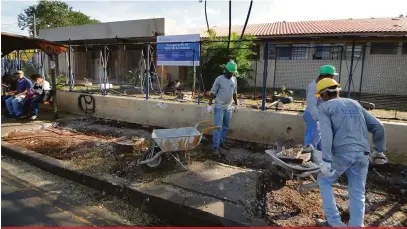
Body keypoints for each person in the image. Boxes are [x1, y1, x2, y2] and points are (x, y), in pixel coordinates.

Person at [315, 78, 388, 227]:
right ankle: (356, 225)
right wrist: (379, 151)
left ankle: (334, 222)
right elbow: (379, 127)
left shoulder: (325, 108)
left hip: (342, 153)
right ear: (337, 91)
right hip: (363, 154)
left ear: (324, 95)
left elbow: (326, 135)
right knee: (357, 191)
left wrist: (327, 160)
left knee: (324, 180)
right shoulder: (355, 103)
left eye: (321, 97)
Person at [303, 65, 338, 154]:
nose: (332, 78)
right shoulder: (314, 87)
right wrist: (318, 118)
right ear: (324, 76)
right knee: (314, 134)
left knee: (320, 137)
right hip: (312, 115)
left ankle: (319, 155)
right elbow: (312, 105)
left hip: (320, 114)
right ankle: (308, 154)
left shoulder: (323, 86)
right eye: (331, 76)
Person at [208, 60, 238, 156]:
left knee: (225, 127)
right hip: (219, 107)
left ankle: (221, 142)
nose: (231, 74)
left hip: (229, 107)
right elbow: (213, 92)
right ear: (226, 70)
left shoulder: (234, 79)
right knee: (218, 128)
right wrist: (209, 104)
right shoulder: (219, 79)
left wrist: (236, 104)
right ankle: (215, 147)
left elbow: (234, 93)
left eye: (233, 72)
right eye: (230, 72)